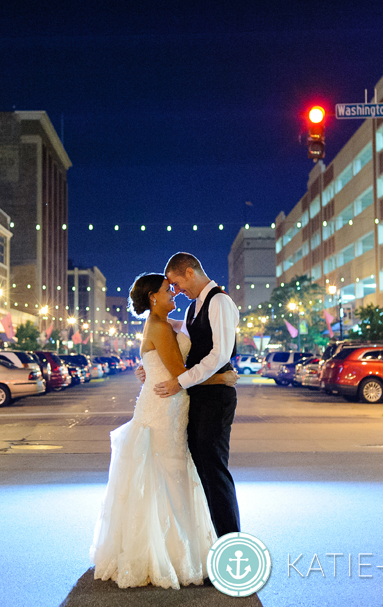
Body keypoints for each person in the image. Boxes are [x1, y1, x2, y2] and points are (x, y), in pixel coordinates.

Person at [91, 273, 236, 589]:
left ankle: (168, 549)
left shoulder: (164, 324)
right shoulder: (158, 326)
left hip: (165, 403)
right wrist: (220, 378)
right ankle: (170, 555)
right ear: (153, 297)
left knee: (167, 476)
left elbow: (170, 359)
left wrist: (147, 367)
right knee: (169, 476)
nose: (174, 294)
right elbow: (180, 374)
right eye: (167, 291)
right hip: (164, 408)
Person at [153, 252, 241, 538]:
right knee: (202, 470)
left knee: (214, 470)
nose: (177, 291)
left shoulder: (220, 301)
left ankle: (231, 544)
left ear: (190, 272)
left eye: (177, 283)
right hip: (199, 397)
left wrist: (180, 381)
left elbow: (219, 355)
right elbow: (178, 338)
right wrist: (149, 366)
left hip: (217, 398)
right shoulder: (193, 309)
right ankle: (211, 544)